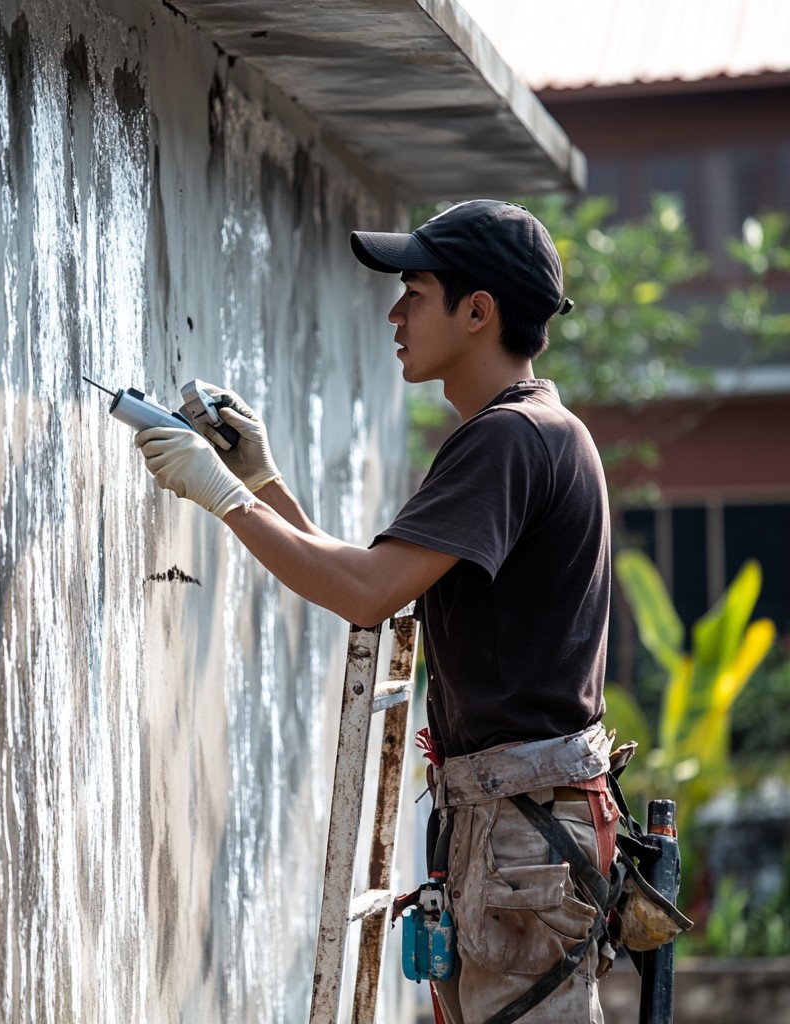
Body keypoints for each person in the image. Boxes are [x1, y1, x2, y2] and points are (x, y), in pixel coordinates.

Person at [136, 199, 618, 1023]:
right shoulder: (533, 431)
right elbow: (371, 578)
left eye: (416, 293)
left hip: (522, 834)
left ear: (478, 311)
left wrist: (222, 500)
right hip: (519, 826)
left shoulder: (508, 440)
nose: (395, 314)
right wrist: (260, 482)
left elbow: (364, 592)